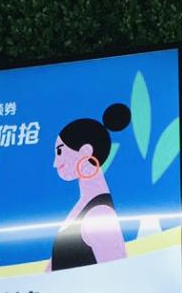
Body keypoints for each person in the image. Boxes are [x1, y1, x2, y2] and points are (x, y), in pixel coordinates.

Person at [48, 103, 131, 271]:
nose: (55, 163)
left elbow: (118, 274)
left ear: (86, 152)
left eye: (59, 151)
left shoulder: (100, 213)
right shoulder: (83, 206)